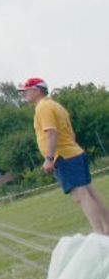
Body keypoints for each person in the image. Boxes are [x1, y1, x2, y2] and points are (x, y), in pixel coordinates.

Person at [18, 77, 109, 234]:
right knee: (90, 192)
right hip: (74, 153)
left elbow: (51, 132)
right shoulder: (55, 105)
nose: (24, 94)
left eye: (26, 90)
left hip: (64, 157)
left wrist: (49, 158)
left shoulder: (43, 108)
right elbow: (70, 133)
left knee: (81, 195)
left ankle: (99, 233)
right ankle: (106, 227)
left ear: (37, 90)